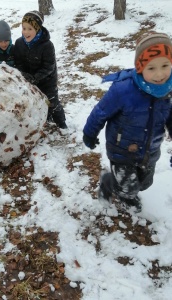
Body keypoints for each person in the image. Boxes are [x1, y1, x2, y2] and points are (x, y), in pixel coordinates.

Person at [83, 31, 172, 211]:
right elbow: (100, 112)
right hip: (121, 150)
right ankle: (111, 184)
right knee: (128, 187)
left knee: (145, 183)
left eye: (165, 65)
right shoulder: (123, 90)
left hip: (150, 150)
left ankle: (124, 188)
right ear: (140, 68)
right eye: (151, 68)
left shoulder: (168, 90)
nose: (160, 74)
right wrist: (89, 133)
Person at [14, 11, 67, 130]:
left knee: (51, 102)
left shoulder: (47, 45)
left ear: (37, 29)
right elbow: (19, 63)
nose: (26, 32)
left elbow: (49, 66)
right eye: (24, 28)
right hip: (28, 78)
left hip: (47, 80)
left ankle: (61, 123)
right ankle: (43, 119)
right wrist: (24, 75)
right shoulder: (19, 43)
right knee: (34, 102)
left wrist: (36, 77)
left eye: (30, 29)